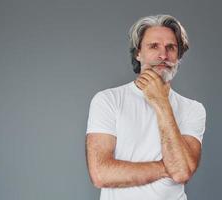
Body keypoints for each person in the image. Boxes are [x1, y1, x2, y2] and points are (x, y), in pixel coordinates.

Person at [85, 14, 206, 200]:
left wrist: (162, 102)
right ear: (138, 53)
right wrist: (167, 167)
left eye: (171, 48)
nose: (163, 55)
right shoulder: (108, 100)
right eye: (154, 46)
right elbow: (101, 174)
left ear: (178, 56)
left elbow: (182, 173)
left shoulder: (193, 109)